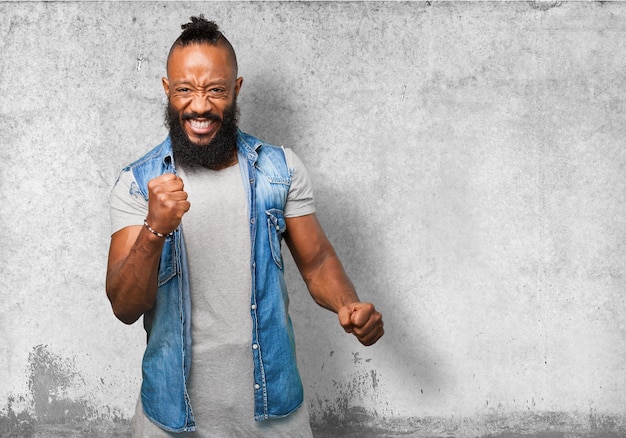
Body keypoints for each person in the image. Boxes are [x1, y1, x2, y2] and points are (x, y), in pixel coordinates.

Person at [106, 16, 384, 437]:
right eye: (185, 90)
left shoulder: (280, 169)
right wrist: (154, 229)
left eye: (215, 90)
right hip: (171, 419)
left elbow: (318, 261)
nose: (199, 106)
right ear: (167, 91)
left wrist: (348, 303)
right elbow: (125, 307)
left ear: (235, 90)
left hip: (275, 415)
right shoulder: (137, 182)